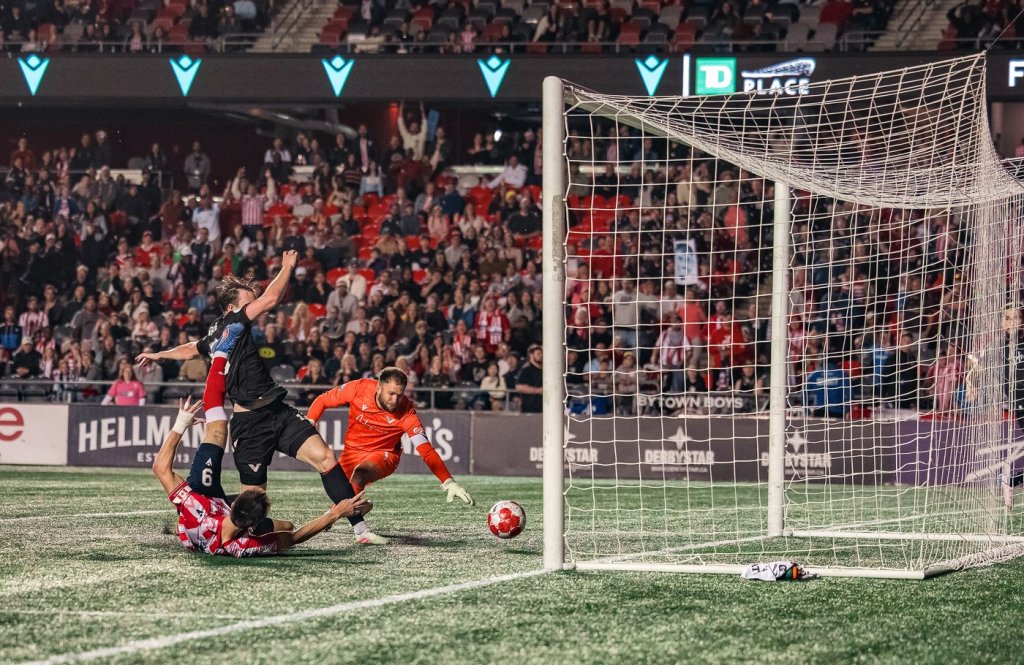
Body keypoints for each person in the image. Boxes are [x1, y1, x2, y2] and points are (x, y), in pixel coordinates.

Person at [135, 250, 385, 544]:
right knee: (253, 503)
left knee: (326, 457)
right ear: (232, 307)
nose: (255, 305)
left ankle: (360, 530)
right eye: (248, 301)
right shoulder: (233, 322)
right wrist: (287, 267)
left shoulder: (220, 330)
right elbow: (270, 299)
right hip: (249, 426)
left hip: (278, 411)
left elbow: (191, 348)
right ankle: (223, 511)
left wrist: (160, 354)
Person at [151, 397, 370, 557]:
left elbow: (160, 468)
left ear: (233, 503)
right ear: (252, 526)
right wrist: (336, 513)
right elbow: (293, 537)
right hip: (214, 518)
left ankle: (219, 362)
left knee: (217, 428)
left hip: (204, 498)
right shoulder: (245, 544)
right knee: (287, 525)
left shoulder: (195, 505)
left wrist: (182, 422)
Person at [306, 367, 475, 506]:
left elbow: (426, 450)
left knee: (360, 474)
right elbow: (323, 400)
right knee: (339, 493)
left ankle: (347, 520)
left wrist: (448, 481)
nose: (395, 400)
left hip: (385, 454)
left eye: (400, 395)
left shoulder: (407, 413)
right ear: (379, 388)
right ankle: (351, 510)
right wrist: (310, 422)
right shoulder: (358, 388)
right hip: (351, 452)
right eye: (391, 394)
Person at [966, 306, 1024, 508]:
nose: (1011, 322)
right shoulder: (997, 347)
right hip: (1021, 403)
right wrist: (971, 384)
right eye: (1006, 318)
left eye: (1015, 317)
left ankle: (1010, 481)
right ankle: (1010, 481)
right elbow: (974, 370)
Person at [515, 344, 544, 413]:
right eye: (538, 354)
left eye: (541, 353)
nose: (541, 356)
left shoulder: (545, 370)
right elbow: (519, 387)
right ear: (531, 355)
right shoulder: (526, 370)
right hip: (529, 408)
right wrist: (538, 390)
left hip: (543, 408)